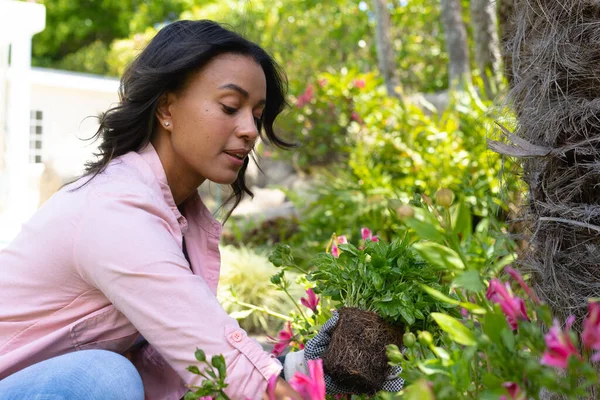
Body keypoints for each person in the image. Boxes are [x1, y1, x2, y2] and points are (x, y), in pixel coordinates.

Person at [0, 20, 303, 400]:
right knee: (104, 377)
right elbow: (217, 358)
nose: (249, 130)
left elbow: (180, 364)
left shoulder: (182, 218)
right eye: (230, 106)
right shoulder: (116, 210)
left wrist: (292, 369)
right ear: (166, 108)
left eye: (256, 115)